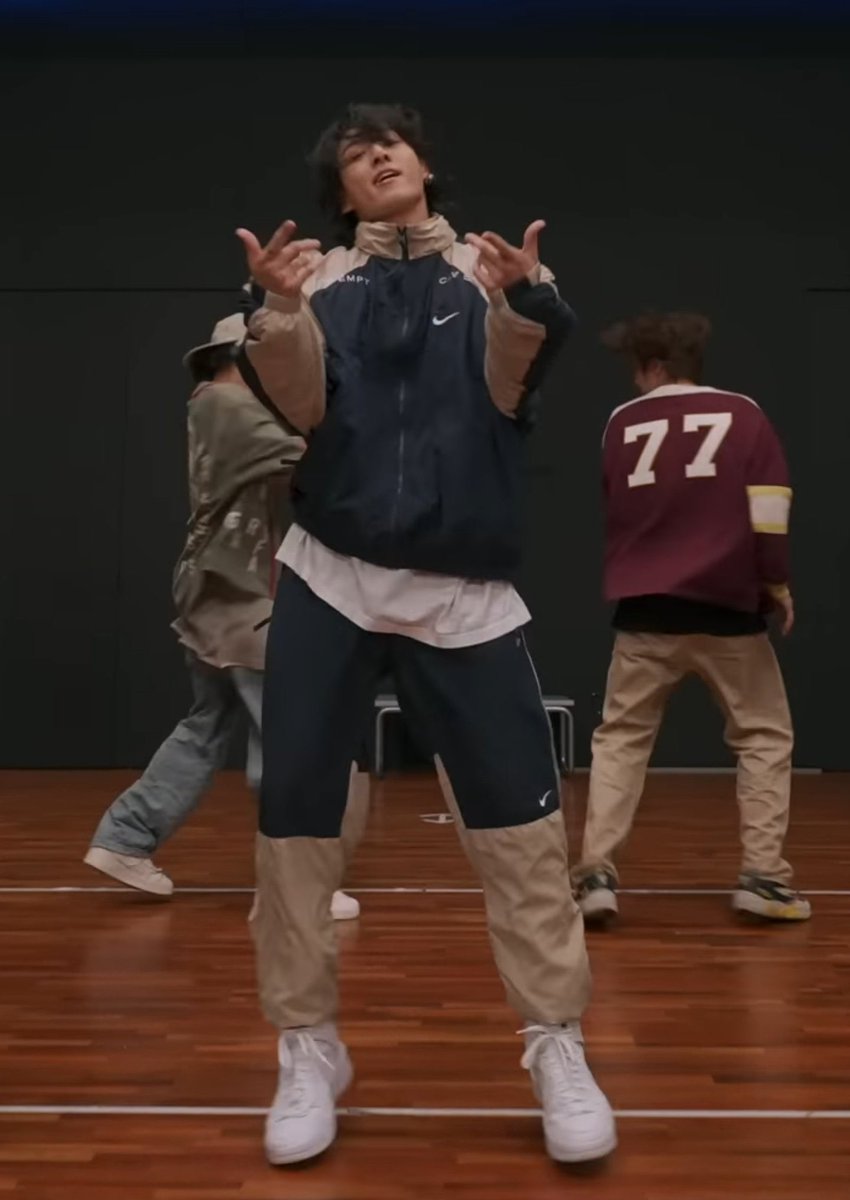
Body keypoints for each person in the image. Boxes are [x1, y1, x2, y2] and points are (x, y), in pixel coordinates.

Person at [235, 102, 616, 1169]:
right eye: (356, 156)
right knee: (296, 822)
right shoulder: (313, 283)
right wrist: (274, 314)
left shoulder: (489, 274)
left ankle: (555, 1039)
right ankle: (307, 1045)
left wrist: (525, 300)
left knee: (521, 827)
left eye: (390, 144)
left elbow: (511, 379)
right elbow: (302, 409)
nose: (378, 156)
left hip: (465, 593)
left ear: (423, 165)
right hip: (333, 576)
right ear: (341, 193)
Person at [84, 313, 362, 921]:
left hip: (218, 590)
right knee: (289, 734)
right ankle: (293, 882)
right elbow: (319, 456)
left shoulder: (217, 404)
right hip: (243, 595)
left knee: (206, 725)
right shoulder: (231, 408)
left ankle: (125, 837)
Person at [572, 312, 810, 925]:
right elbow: (770, 513)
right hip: (728, 608)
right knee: (762, 736)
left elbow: (619, 511)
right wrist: (775, 584)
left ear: (654, 367)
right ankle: (763, 878)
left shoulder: (621, 422)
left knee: (621, 739)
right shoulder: (745, 414)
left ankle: (596, 874)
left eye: (636, 370)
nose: (635, 382)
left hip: (645, 611)